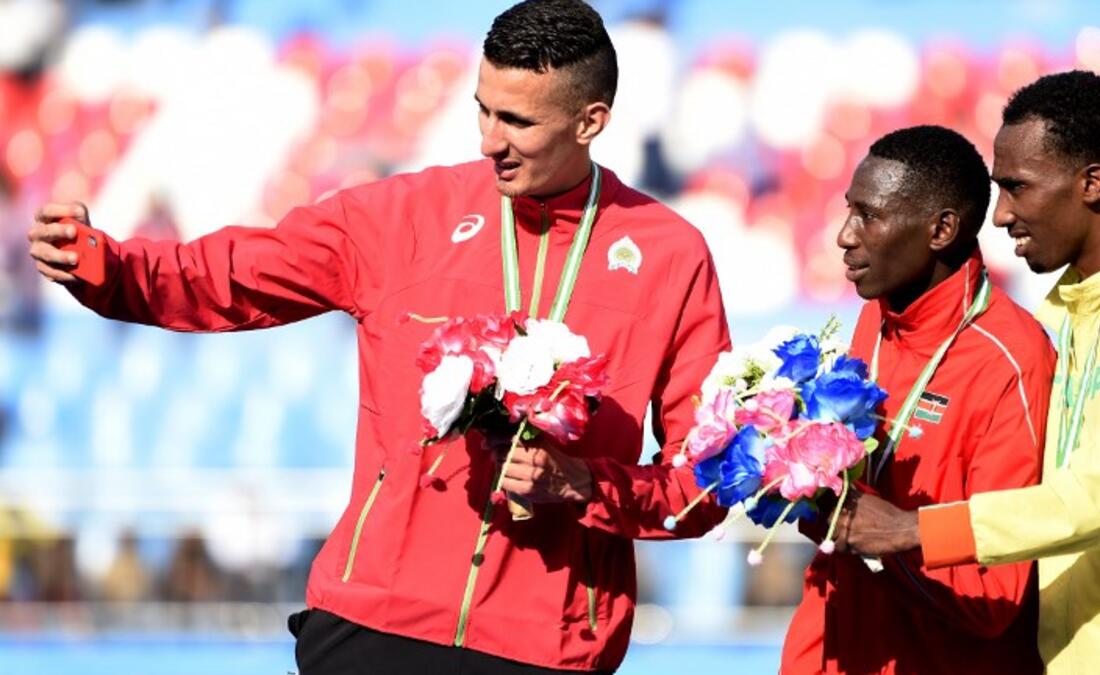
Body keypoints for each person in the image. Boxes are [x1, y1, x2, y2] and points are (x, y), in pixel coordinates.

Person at [25, 1, 730, 672]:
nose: (489, 142)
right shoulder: (403, 215)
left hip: (548, 646)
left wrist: (586, 486)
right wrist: (103, 265)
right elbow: (228, 275)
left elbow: (708, 480)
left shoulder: (670, 256)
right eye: (481, 111)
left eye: (516, 121)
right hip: (373, 630)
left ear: (590, 121)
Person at [833, 71, 1100, 674]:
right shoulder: (1080, 305)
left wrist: (914, 529)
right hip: (1068, 655)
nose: (1000, 215)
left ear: (1091, 183)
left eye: (1017, 188)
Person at [780, 126, 1054, 674]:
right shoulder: (873, 318)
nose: (844, 235)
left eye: (869, 216)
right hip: (833, 648)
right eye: (847, 210)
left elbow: (996, 595)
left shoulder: (1013, 359)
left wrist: (888, 537)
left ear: (941, 229)